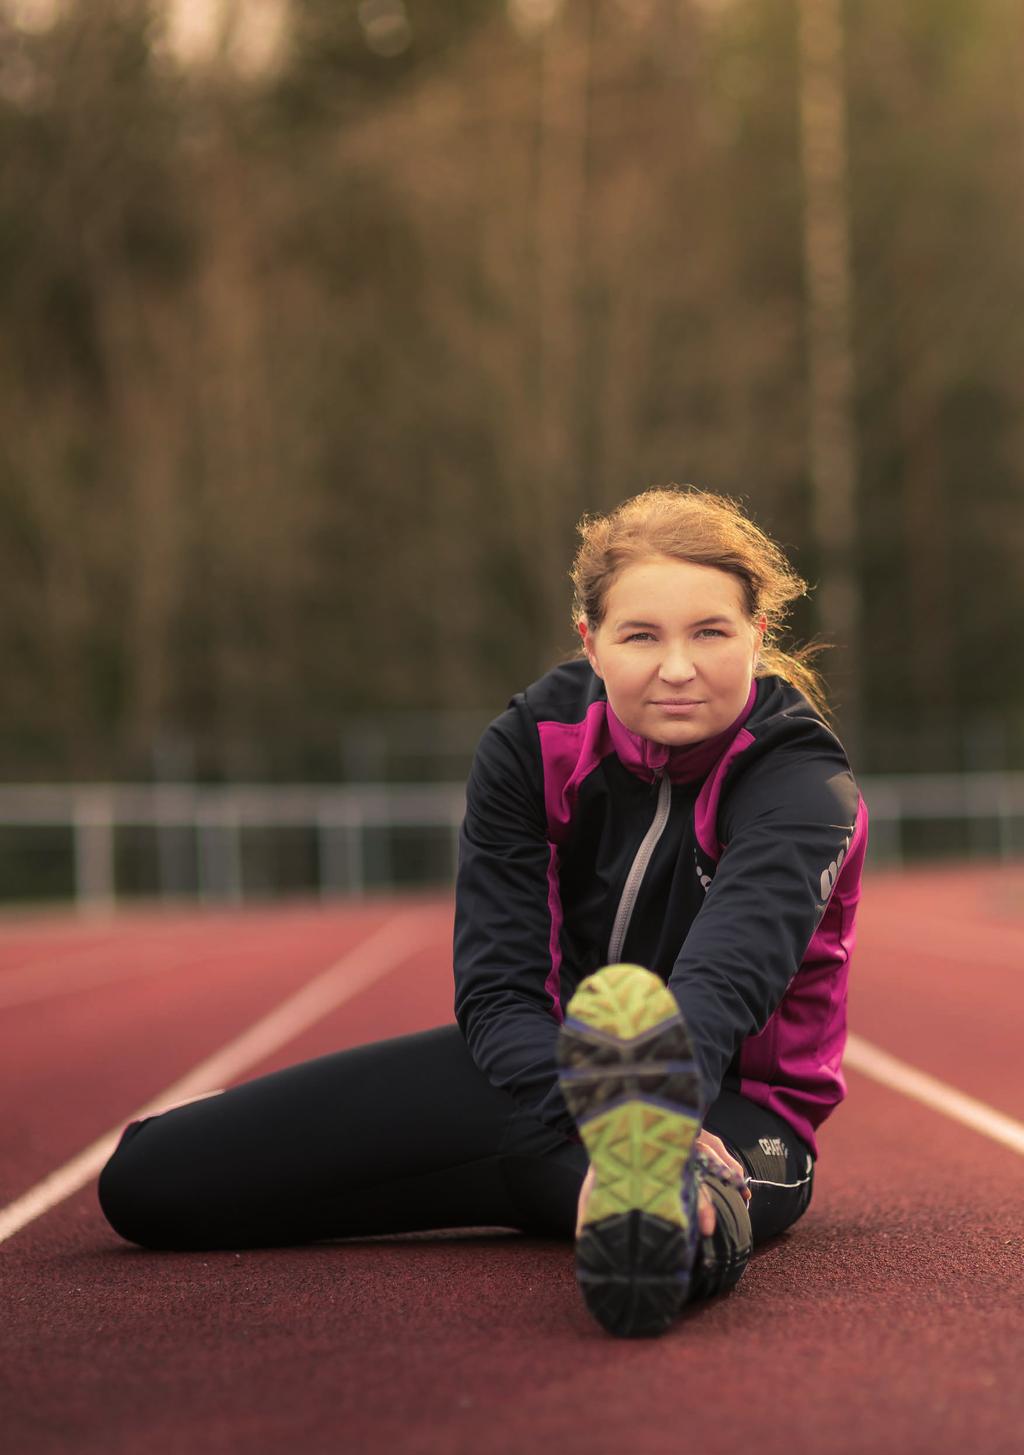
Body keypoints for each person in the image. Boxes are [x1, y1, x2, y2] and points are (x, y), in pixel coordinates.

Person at [98, 485, 867, 1338]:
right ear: (591, 641)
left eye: (710, 632)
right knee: (150, 1180)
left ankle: (650, 1221)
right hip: (532, 1076)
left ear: (758, 635)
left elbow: (728, 976)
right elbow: (500, 992)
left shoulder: (804, 784)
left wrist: (655, 1112)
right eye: (641, 635)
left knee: (685, 1191)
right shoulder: (532, 744)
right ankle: (601, 1184)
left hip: (732, 1108)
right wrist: (605, 1113)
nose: (677, 667)